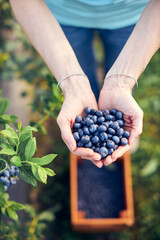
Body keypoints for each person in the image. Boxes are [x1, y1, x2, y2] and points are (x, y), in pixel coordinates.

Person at [9, 0, 160, 168]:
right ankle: (86, 99)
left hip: (135, 15)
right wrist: (72, 85)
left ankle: (119, 99)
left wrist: (122, 83)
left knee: (120, 82)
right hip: (63, 14)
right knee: (82, 77)